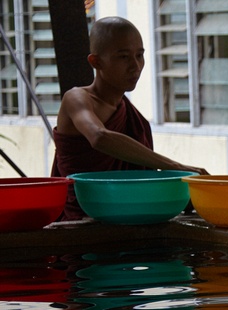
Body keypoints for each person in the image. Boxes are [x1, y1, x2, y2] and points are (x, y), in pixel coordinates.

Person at [51, 16, 206, 221]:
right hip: (82, 223)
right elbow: (99, 137)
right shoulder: (77, 98)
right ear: (96, 61)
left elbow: (141, 178)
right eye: (123, 57)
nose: (135, 66)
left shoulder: (133, 116)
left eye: (139, 55)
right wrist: (177, 167)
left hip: (131, 219)